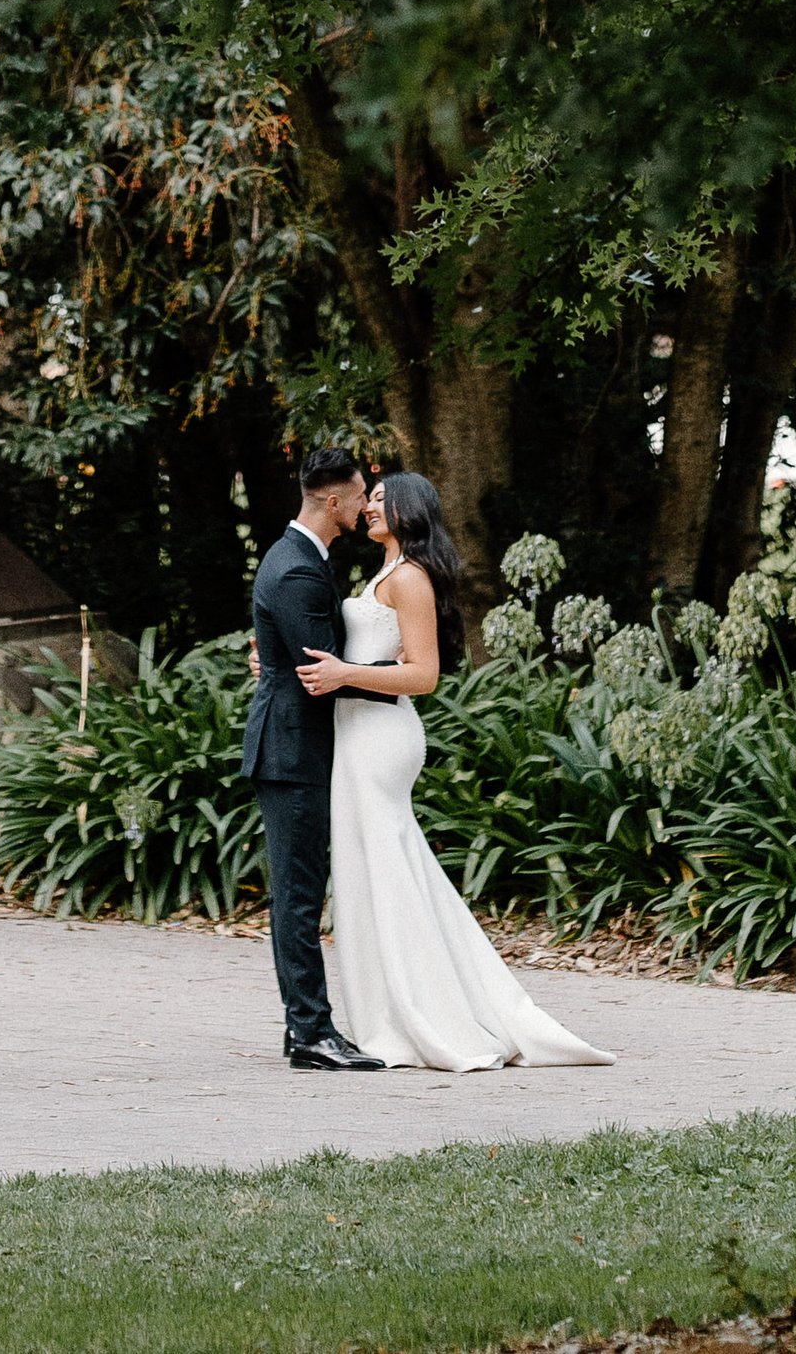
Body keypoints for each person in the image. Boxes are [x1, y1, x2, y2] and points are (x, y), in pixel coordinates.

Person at [296, 467, 612, 1072]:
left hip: (382, 737)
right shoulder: (382, 573)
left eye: (383, 501)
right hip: (356, 731)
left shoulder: (410, 577)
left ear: (412, 510)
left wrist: (344, 675)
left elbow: (424, 675)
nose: (370, 508)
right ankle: (392, 1013)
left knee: (386, 871)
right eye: (371, 500)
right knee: (375, 873)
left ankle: (425, 1016)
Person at [241, 442, 384, 1069]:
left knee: (300, 890)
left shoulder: (298, 557)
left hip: (297, 745)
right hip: (292, 750)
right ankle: (310, 1034)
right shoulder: (297, 567)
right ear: (333, 499)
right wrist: (406, 673)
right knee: (297, 895)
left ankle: (306, 1029)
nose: (363, 507)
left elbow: (295, 655)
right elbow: (320, 668)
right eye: (358, 497)